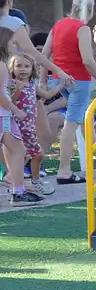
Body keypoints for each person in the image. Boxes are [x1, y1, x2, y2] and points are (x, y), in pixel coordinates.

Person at [42, 0, 96, 185]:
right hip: (78, 81)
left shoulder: (58, 25)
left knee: (82, 119)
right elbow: (88, 61)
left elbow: (45, 54)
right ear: (91, 9)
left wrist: (42, 81)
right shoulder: (83, 29)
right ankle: (64, 170)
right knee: (71, 124)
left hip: (58, 79)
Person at [0, 28, 38, 206]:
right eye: (12, 42)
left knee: (16, 150)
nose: (15, 45)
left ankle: (18, 190)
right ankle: (18, 191)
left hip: (5, 115)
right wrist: (16, 110)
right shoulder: (1, 65)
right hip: (3, 115)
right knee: (18, 150)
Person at [8, 51, 47, 197]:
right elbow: (10, 102)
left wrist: (63, 83)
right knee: (37, 153)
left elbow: (46, 95)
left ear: (32, 69)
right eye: (19, 66)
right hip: (19, 126)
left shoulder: (32, 84)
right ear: (12, 69)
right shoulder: (12, 84)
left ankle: (21, 182)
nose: (23, 69)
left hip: (29, 126)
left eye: (26, 66)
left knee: (28, 155)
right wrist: (17, 90)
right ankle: (34, 182)